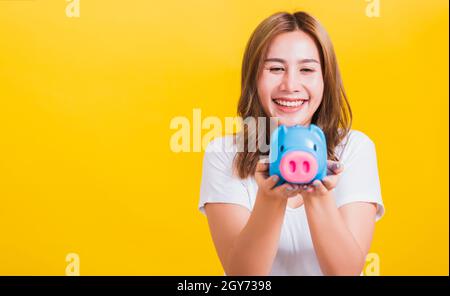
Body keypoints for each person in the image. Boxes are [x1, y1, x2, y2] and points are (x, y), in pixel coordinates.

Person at [198, 11, 385, 276]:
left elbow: (345, 273)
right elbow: (243, 277)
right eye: (276, 68)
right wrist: (271, 196)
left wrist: (317, 194)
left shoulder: (355, 149)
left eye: (307, 69)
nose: (291, 85)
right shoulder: (224, 154)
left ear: (325, 78)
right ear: (254, 77)